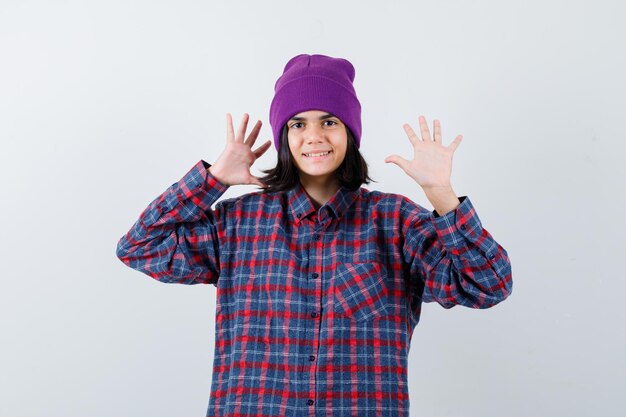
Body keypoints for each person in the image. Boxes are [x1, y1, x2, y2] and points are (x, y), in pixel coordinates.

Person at [116, 53, 513, 417]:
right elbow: (138, 247)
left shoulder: (395, 222)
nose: (314, 136)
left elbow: (489, 285)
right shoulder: (236, 223)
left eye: (329, 121)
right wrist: (213, 179)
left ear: (349, 132)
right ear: (285, 136)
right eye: (298, 123)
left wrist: (441, 194)